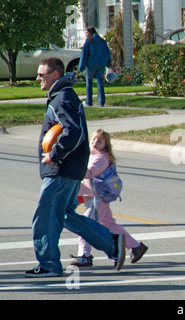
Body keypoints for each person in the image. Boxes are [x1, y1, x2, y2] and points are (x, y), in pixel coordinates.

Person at [26, 57, 125, 278]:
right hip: (70, 169)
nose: (38, 78)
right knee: (67, 215)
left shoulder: (61, 99)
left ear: (55, 75)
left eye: (41, 75)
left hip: (62, 170)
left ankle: (50, 264)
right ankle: (112, 243)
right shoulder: (64, 96)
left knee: (46, 217)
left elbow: (74, 132)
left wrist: (55, 155)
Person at [71, 129, 148, 267]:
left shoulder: (100, 157)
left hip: (98, 199)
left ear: (105, 145)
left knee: (86, 226)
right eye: (93, 139)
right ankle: (136, 247)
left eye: (100, 141)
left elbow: (88, 173)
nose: (95, 142)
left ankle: (85, 256)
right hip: (98, 198)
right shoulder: (94, 155)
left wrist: (74, 162)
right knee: (111, 226)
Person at [79, 27, 112, 107]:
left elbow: (84, 55)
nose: (85, 35)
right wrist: (109, 63)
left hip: (90, 65)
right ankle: (101, 102)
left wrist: (81, 66)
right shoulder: (102, 42)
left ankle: (89, 102)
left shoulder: (89, 42)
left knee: (89, 83)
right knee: (100, 83)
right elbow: (107, 53)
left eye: (86, 33)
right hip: (101, 65)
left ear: (89, 33)